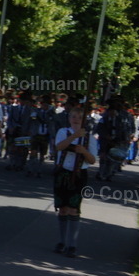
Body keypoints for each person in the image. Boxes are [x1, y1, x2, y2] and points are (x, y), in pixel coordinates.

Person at [54, 106, 98, 258]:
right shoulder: (63, 132)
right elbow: (59, 147)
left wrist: (84, 151)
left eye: (79, 117)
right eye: (73, 116)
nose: (76, 120)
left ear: (84, 120)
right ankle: (61, 241)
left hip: (79, 174)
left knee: (74, 208)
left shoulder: (89, 138)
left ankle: (72, 244)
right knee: (63, 208)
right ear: (69, 118)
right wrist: (74, 137)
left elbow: (92, 160)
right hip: (63, 173)